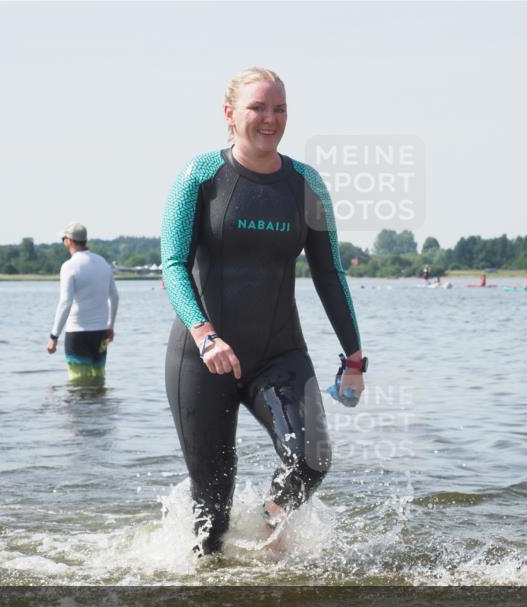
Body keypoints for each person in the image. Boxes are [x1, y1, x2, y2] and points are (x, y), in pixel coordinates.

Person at [160, 67, 365, 556]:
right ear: (230, 114)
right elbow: (172, 263)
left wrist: (354, 357)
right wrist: (205, 333)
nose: (270, 119)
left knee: (310, 459)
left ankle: (266, 528)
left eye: (280, 109)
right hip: (202, 357)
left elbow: (330, 273)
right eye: (258, 108)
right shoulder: (200, 176)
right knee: (210, 517)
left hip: (279, 352)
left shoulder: (306, 184)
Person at [46, 223, 119, 383]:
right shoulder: (103, 263)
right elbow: (114, 297)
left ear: (69, 241)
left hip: (77, 333)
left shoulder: (69, 266)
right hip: (100, 333)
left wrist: (54, 336)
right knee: (98, 379)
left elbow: (65, 302)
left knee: (77, 382)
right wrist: (110, 326)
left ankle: (81, 409)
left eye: (63, 238)